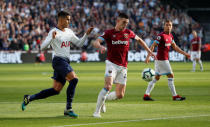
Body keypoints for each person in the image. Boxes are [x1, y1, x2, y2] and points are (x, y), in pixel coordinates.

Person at [21, 11, 93, 118]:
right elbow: (42, 47)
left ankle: (29, 98)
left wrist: (86, 34)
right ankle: (68, 109)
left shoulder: (69, 31)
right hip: (58, 60)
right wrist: (51, 38)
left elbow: (79, 43)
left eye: (69, 19)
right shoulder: (53, 32)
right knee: (74, 79)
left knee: (56, 90)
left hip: (65, 62)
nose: (69, 21)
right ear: (61, 19)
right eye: (67, 19)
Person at [92, 13, 156, 118]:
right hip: (111, 64)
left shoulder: (128, 33)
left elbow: (140, 40)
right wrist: (100, 47)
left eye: (127, 23)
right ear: (118, 21)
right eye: (124, 23)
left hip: (123, 66)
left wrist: (150, 52)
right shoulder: (109, 33)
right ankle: (96, 112)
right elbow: (96, 42)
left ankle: (104, 100)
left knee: (120, 95)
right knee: (108, 86)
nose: (125, 25)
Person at [143, 20, 190, 101]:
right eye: (167, 25)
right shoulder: (161, 36)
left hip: (160, 60)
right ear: (164, 26)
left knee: (156, 77)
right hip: (162, 60)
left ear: (172, 27)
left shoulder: (171, 36)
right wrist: (148, 56)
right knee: (170, 75)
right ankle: (175, 96)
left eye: (170, 25)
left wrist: (185, 53)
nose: (168, 26)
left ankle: (146, 95)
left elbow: (175, 47)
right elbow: (153, 45)